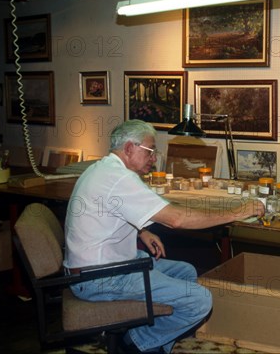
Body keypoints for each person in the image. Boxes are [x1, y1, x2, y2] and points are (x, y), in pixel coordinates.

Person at [63, 120, 264, 353]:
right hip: (101, 278)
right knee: (200, 300)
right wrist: (237, 212)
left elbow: (109, 210)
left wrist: (142, 230)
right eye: (150, 150)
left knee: (186, 272)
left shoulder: (103, 169)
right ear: (129, 148)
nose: (154, 158)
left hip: (97, 268)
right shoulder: (120, 179)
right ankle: (136, 344)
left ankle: (150, 340)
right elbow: (176, 219)